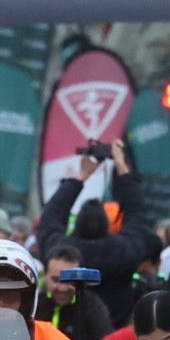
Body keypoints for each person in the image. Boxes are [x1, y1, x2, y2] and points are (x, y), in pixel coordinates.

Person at [35, 140, 155, 329]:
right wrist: (122, 168)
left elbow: (51, 218)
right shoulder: (124, 251)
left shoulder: (57, 251)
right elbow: (139, 219)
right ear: (108, 225)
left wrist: (80, 177)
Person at [37, 245, 113, 340]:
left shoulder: (92, 307)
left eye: (69, 281)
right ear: (44, 276)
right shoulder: (34, 304)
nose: (62, 288)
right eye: (56, 280)